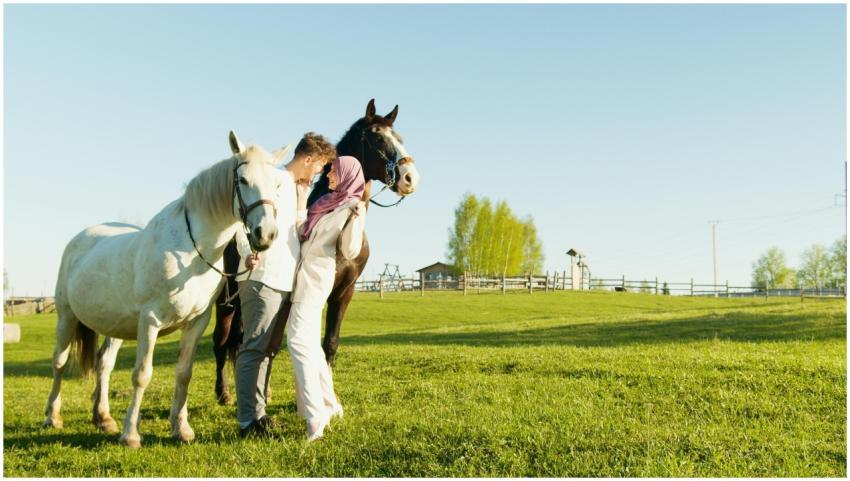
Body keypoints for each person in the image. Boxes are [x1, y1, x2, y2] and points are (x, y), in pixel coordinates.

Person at [234, 132, 336, 438]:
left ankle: (259, 414)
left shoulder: (295, 188)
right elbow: (241, 221)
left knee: (268, 350)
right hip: (262, 276)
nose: (319, 172)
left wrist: (303, 201)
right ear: (308, 159)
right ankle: (246, 422)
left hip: (284, 279)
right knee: (254, 348)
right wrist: (246, 251)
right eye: (320, 166)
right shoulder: (273, 178)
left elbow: (296, 233)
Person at [287, 155, 367, 441]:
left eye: (334, 171)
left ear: (347, 175)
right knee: (309, 344)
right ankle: (331, 406)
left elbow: (350, 251)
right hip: (302, 278)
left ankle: (315, 416)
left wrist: (356, 219)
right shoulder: (326, 204)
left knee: (297, 340)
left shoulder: (351, 207)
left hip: (317, 279)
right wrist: (301, 198)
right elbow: (302, 232)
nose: (329, 175)